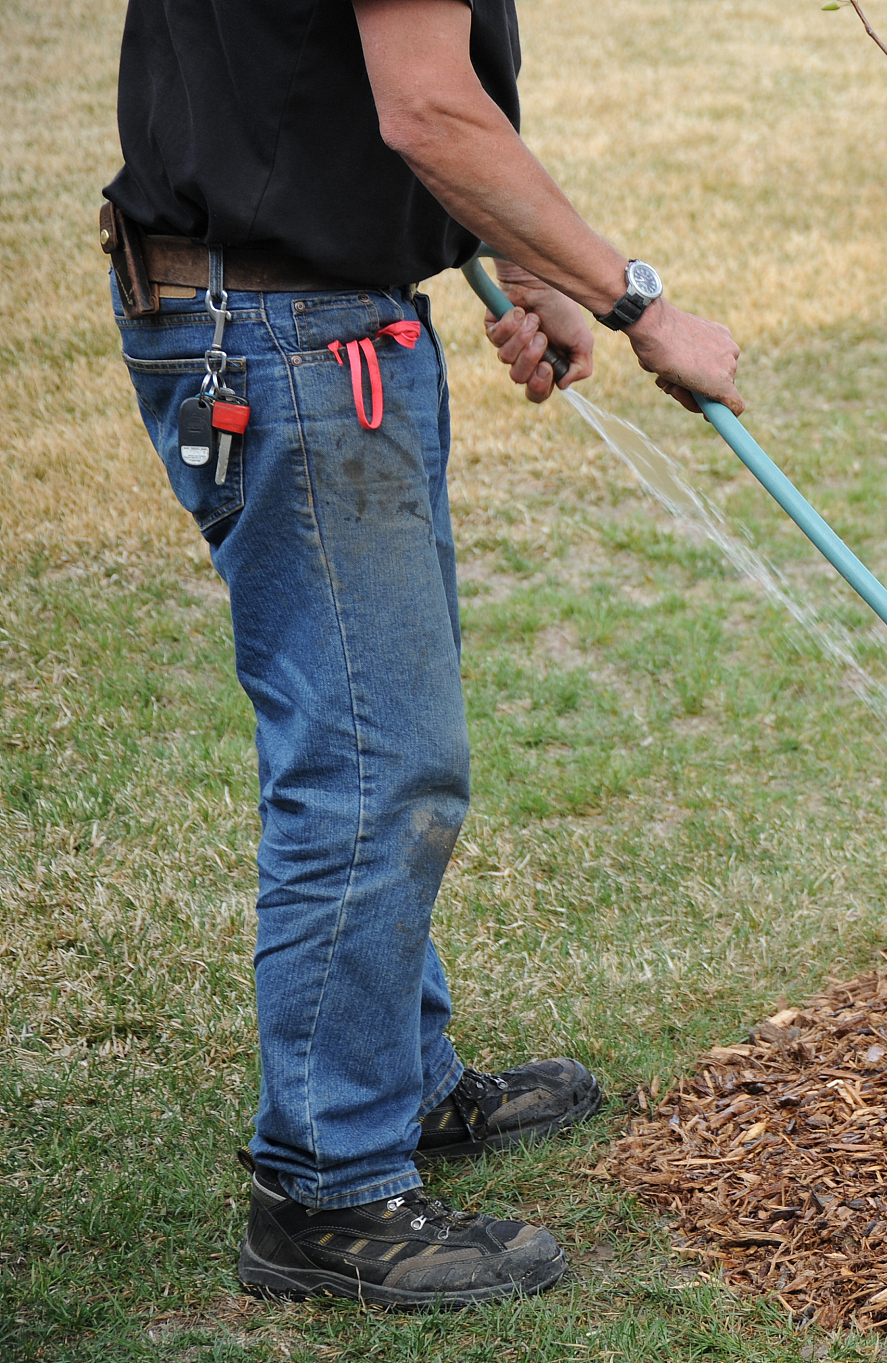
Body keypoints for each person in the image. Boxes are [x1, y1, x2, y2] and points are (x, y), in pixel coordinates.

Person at [102, 0, 744, 1310]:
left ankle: (396, 1083)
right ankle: (327, 1192)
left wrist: (531, 267)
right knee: (373, 765)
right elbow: (427, 107)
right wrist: (635, 301)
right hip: (284, 336)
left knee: (381, 738)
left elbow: (338, 92)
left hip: (311, 319)